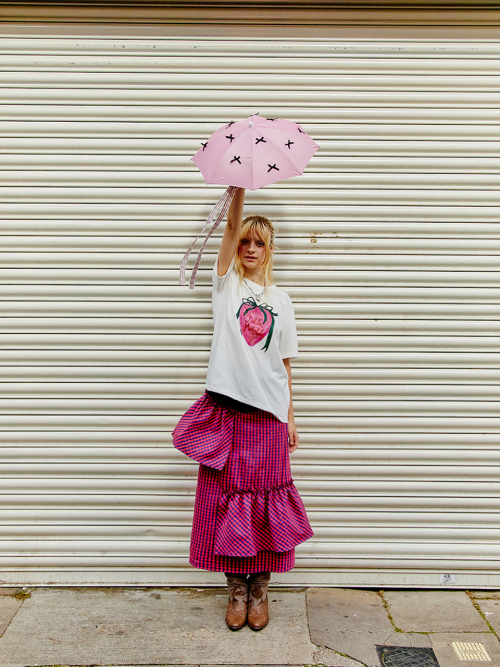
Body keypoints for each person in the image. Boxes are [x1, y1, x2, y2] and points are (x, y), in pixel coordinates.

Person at [173, 187, 313, 631]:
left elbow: (284, 364)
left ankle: (260, 592)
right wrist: (239, 189)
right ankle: (236, 591)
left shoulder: (282, 300)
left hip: (269, 417)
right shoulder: (226, 285)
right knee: (231, 504)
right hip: (229, 414)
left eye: (260, 243)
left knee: (267, 507)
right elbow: (231, 225)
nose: (250, 248)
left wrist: (291, 417)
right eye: (245, 241)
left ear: (270, 250)